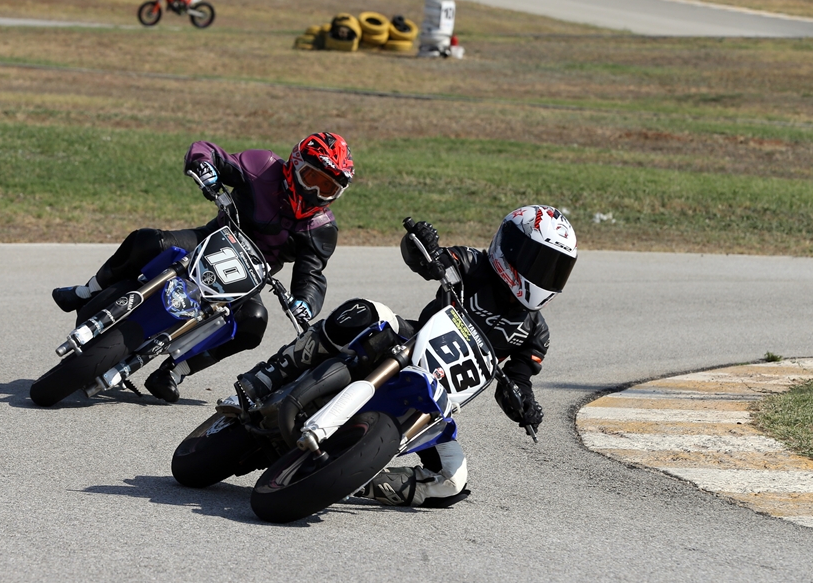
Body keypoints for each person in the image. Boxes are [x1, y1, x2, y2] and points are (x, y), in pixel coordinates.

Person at [230, 206, 578, 508]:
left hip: (436, 401)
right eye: (540, 261)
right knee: (366, 312)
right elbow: (430, 261)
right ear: (512, 247)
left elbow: (515, 381)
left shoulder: (535, 332)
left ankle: (355, 480)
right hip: (406, 344)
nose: (545, 275)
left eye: (555, 269)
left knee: (452, 481)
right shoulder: (476, 264)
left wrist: (524, 404)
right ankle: (268, 376)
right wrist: (423, 244)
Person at [51, 133, 354, 403]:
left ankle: (175, 370)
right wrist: (204, 165)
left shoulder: (322, 228)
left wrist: (306, 303)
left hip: (250, 277)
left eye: (328, 187)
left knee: (253, 322)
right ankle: (87, 291)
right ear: (294, 165)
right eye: (313, 178)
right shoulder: (262, 166)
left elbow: (311, 274)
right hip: (211, 237)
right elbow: (210, 152)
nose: (316, 192)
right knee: (150, 241)